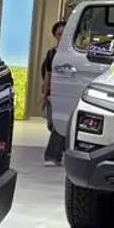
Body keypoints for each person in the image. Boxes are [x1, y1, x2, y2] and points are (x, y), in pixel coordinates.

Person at [42, 20, 67, 166]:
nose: (61, 37)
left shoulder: (74, 53)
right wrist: (44, 95)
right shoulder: (51, 53)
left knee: (58, 124)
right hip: (53, 94)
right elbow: (48, 75)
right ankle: (65, 147)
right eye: (59, 34)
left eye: (64, 34)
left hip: (67, 95)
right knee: (51, 124)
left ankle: (52, 156)